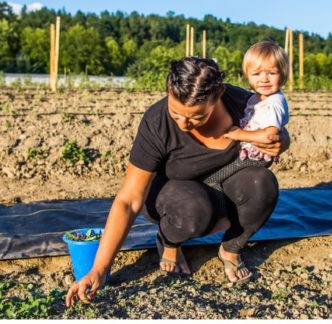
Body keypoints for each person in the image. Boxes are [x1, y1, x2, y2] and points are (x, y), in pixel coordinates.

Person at [66, 56, 290, 306]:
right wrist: (99, 269)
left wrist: (282, 142)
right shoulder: (157, 123)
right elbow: (128, 200)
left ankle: (231, 248)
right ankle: (169, 240)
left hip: (220, 181)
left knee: (262, 185)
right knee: (194, 209)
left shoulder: (241, 102)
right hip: (171, 194)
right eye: (176, 113)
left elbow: (275, 130)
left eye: (196, 117)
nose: (184, 124)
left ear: (218, 96)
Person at [202, 40, 290, 191]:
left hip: (255, 156)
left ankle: (219, 200)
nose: (264, 79)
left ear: (282, 75)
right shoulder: (257, 98)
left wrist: (238, 134)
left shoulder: (273, 103)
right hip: (249, 152)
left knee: (213, 178)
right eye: (256, 74)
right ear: (247, 76)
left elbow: (270, 136)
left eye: (272, 73)